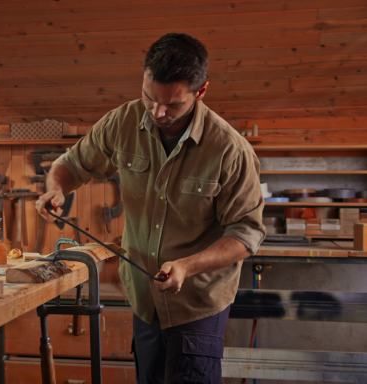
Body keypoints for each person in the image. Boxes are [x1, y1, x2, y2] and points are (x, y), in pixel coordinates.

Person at [35, 32, 265, 383]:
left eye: (172, 105)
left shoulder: (229, 150)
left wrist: (188, 266)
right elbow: (70, 165)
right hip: (144, 301)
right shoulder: (122, 122)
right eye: (149, 98)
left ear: (200, 92)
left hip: (196, 305)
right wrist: (55, 191)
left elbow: (245, 235)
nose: (158, 112)